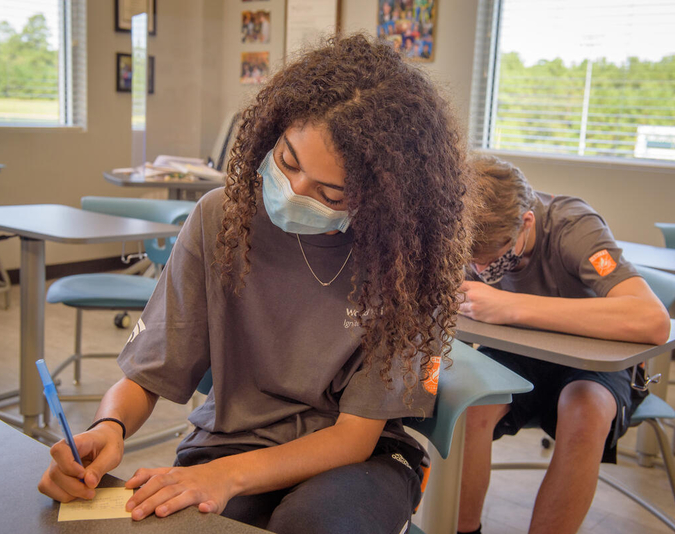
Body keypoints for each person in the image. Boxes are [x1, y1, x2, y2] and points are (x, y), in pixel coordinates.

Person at [38, 34, 470, 534]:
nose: (294, 193)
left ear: (383, 199)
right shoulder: (221, 218)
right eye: (288, 162)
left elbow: (353, 438)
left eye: (332, 192)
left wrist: (225, 478)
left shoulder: (404, 262)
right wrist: (106, 429)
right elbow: (146, 375)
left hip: (361, 459)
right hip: (230, 440)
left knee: (313, 525)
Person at [456, 155, 670, 534]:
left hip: (595, 359)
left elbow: (652, 321)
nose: (480, 268)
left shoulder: (575, 228)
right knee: (471, 406)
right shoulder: (460, 221)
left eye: (493, 254)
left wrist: (513, 306)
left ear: (526, 222)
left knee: (584, 411)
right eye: (472, 257)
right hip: (519, 352)